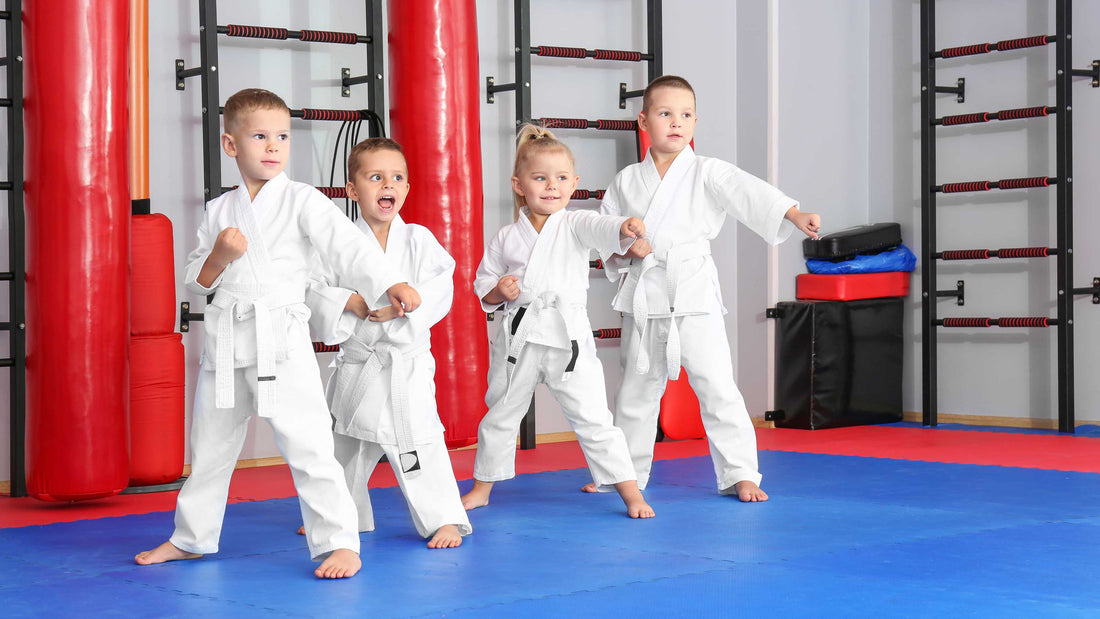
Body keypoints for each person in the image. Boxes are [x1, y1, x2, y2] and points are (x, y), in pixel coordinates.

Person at [134, 88, 421, 579]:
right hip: (226, 345)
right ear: (231, 145)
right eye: (260, 136)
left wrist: (389, 281)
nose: (273, 146)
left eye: (283, 136)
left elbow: (348, 246)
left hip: (280, 343)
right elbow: (194, 280)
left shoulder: (302, 199)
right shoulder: (217, 210)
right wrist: (220, 257)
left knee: (308, 444)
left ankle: (340, 542)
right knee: (209, 450)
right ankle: (191, 537)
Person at [587, 75, 821, 502]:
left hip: (692, 294)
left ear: (696, 122)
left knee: (716, 385)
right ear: (643, 121)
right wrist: (626, 241)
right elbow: (606, 227)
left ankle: (740, 473)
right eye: (664, 114)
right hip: (644, 295)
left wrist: (791, 212)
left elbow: (749, 193)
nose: (676, 122)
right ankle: (621, 474)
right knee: (635, 393)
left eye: (686, 115)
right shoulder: (626, 180)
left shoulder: (707, 171)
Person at [460, 124, 655, 519]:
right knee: (500, 412)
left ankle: (630, 491)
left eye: (561, 178)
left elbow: (600, 226)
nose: (552, 186)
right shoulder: (505, 237)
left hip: (569, 341)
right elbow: (483, 282)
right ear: (519, 185)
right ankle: (482, 488)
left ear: (575, 183)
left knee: (594, 417)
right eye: (540, 178)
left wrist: (622, 226)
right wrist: (500, 290)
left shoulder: (575, 223)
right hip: (520, 338)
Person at [303, 137, 471, 549]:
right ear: (351, 189)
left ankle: (444, 518)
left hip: (403, 364)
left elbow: (440, 285)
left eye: (396, 178)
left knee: (419, 438)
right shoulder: (335, 243)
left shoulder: (418, 239)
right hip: (359, 363)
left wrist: (409, 307)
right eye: (375, 177)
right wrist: (350, 302)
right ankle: (337, 518)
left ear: (407, 189)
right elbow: (311, 287)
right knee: (342, 446)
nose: (386, 186)